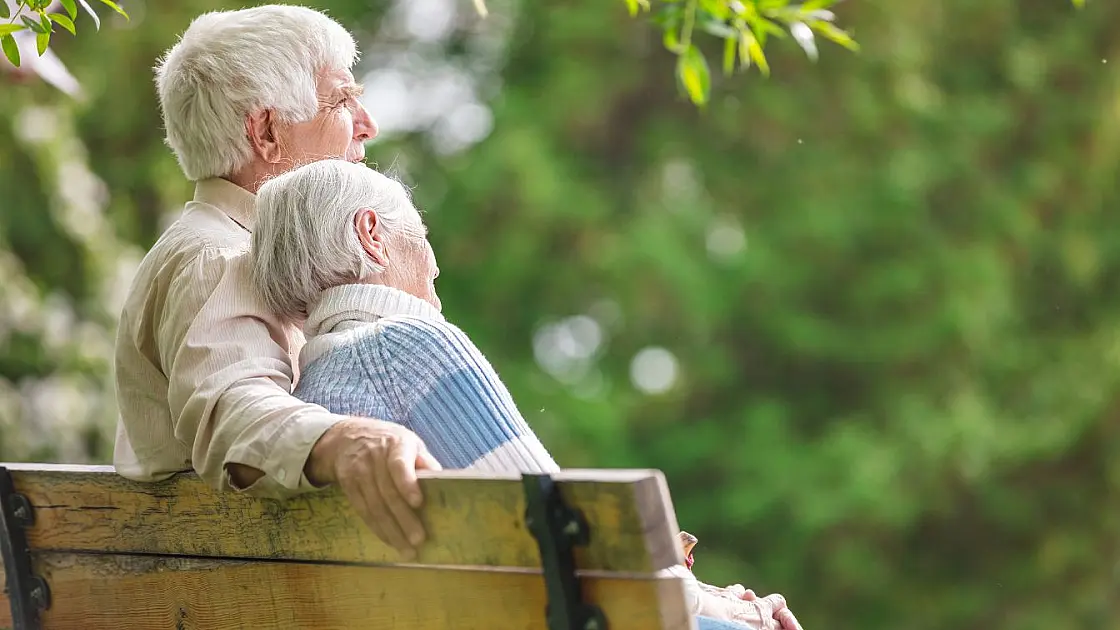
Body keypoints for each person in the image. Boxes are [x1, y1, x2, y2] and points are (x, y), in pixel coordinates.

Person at [249, 159, 803, 630]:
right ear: (372, 234)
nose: (434, 260)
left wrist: (706, 596)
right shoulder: (407, 346)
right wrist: (737, 613)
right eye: (420, 231)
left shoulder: (308, 395)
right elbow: (575, 547)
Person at [112, 5, 439, 561]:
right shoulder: (219, 257)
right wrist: (347, 439)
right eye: (342, 100)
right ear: (266, 132)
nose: (368, 124)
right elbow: (233, 409)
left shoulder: (248, 250)